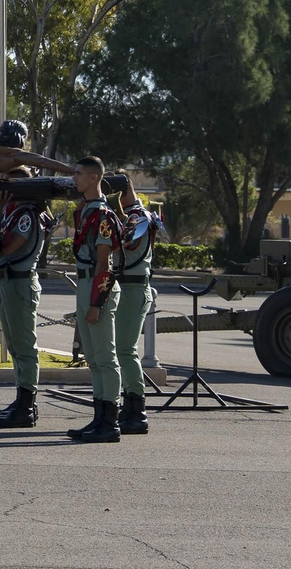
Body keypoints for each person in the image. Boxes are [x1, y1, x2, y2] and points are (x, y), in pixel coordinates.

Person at [67, 156, 123, 443]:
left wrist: (96, 302)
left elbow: (104, 263)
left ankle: (110, 421)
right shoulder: (86, 210)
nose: (73, 178)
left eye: (78, 174)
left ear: (93, 178)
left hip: (96, 285)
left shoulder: (102, 214)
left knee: (105, 356)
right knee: (94, 358)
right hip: (84, 282)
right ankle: (98, 417)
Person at [0, 170, 52, 428]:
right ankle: (22, 399)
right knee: (15, 346)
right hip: (7, 280)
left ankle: (27, 404)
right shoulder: (14, 212)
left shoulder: (26, 214)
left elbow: (8, 246)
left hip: (21, 281)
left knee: (25, 347)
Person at [115, 178, 164, 435]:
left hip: (132, 287)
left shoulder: (137, 217)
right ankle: (128, 406)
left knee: (125, 350)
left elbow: (120, 247)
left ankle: (136, 410)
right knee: (120, 350)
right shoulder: (132, 215)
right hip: (126, 287)